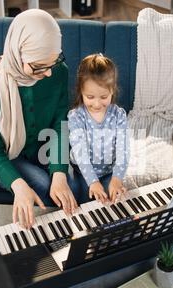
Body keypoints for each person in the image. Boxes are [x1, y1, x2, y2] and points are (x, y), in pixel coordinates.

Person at [0, 9, 80, 229]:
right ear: (17, 52)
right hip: (1, 154)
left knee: (72, 187)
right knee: (42, 188)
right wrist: (18, 185)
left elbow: (60, 123)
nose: (48, 72)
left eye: (53, 62)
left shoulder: (58, 71)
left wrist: (59, 172)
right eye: (39, 66)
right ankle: (46, 249)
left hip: (40, 147)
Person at [68, 53, 130, 204]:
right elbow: (80, 153)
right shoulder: (76, 117)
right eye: (90, 97)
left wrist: (117, 178)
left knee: (117, 200)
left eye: (103, 97)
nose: (97, 104)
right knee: (88, 203)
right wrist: (93, 182)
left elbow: (123, 149)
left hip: (110, 171)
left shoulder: (118, 115)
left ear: (112, 91)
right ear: (81, 92)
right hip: (84, 173)